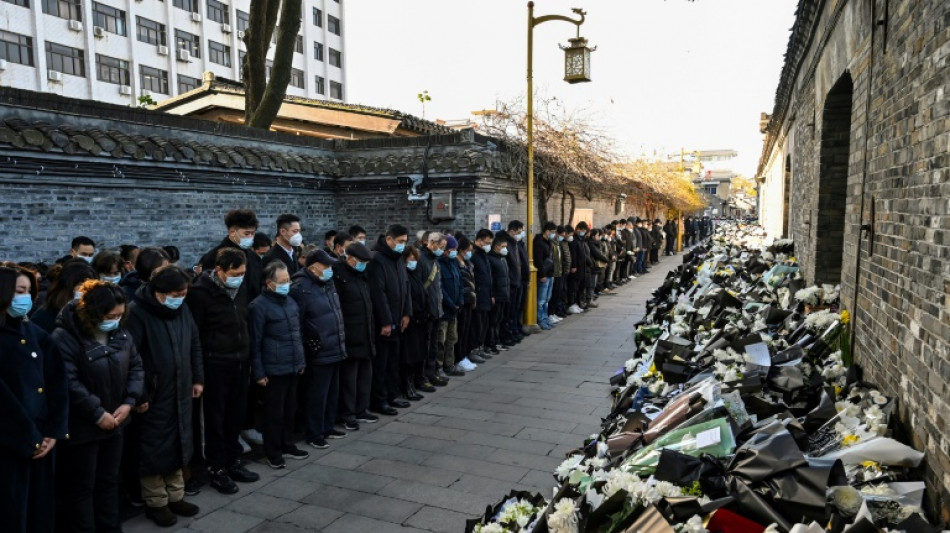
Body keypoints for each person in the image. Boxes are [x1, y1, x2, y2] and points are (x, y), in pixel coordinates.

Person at [53, 280, 144, 533]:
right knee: (82, 487)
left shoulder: (121, 333)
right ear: (93, 312)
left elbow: (136, 366)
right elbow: (67, 381)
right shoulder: (65, 337)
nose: (115, 320)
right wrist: (97, 413)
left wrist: (129, 402)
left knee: (109, 481)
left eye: (119, 315)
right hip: (84, 427)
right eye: (110, 316)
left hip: (116, 421)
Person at [125, 265, 204, 527]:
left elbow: (193, 342)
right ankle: (156, 502)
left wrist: (197, 378)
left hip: (181, 389)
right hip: (154, 393)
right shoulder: (137, 313)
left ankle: (176, 495)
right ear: (159, 292)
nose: (180, 297)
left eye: (184, 293)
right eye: (176, 293)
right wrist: (140, 394)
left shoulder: (181, 308)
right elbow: (131, 358)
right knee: (153, 448)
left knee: (180, 441)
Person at [0, 265, 69, 533]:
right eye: (19, 291)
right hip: (11, 443)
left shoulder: (35, 333)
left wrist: (54, 430)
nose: (25, 297)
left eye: (29, 291)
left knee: (39, 509)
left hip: (41, 437)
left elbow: (57, 382)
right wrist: (28, 437)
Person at [186, 248, 259, 495]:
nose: (240, 276)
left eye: (242, 272)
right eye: (235, 273)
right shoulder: (200, 293)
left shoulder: (241, 288)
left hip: (240, 360)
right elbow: (194, 334)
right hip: (215, 363)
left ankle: (233, 460)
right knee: (214, 420)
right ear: (219, 270)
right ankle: (216, 468)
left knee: (235, 416)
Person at [249, 262, 309, 469]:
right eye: (282, 281)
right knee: (273, 414)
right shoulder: (258, 306)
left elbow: (297, 334)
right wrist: (259, 372)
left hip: (292, 365)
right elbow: (255, 342)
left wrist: (301, 361)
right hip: (273, 369)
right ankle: (272, 451)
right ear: (269, 283)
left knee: (290, 409)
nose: (287, 284)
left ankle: (288, 444)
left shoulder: (290, 302)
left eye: (288, 280)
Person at [291, 250, 348, 449]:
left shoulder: (328, 283)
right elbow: (297, 323)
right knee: (317, 394)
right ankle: (314, 432)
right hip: (318, 349)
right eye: (326, 267)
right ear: (313, 267)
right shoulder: (300, 287)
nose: (330, 270)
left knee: (332, 392)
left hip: (335, 346)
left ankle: (328, 426)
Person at [333, 242, 378, 430]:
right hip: (350, 335)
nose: (363, 265)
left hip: (366, 333)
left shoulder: (361, 275)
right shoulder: (338, 274)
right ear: (349, 258)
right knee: (349, 379)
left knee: (364, 375)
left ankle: (362, 409)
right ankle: (347, 414)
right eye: (360, 262)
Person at [367, 225, 411, 417]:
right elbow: (378, 293)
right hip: (385, 322)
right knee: (381, 363)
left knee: (394, 361)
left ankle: (393, 394)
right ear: (389, 239)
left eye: (405, 241)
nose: (403, 245)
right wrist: (385, 321)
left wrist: (406, 313)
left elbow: (405, 286)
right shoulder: (377, 260)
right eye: (400, 241)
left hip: (399, 318)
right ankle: (379, 399)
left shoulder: (398, 259)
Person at [199, 209, 263, 302]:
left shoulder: (254, 257)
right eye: (246, 233)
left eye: (252, 233)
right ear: (232, 232)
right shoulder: (214, 257)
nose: (250, 237)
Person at [30, 260, 97, 333]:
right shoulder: (44, 316)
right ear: (67, 286)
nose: (86, 289)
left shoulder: (92, 313)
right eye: (81, 285)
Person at [401, 245, 432, 401]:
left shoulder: (414, 274)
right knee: (409, 356)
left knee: (419, 353)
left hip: (421, 320)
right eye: (410, 258)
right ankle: (407, 386)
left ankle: (414, 381)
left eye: (415, 259)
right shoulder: (404, 275)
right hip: (411, 321)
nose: (413, 261)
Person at [417, 232, 447, 388]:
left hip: (436, 310)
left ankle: (431, 372)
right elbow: (419, 287)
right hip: (426, 311)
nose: (442, 250)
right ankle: (422, 377)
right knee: (425, 346)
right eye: (441, 247)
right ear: (433, 243)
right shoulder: (421, 259)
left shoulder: (435, 260)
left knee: (434, 345)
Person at [436, 235, 462, 379]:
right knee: (441, 339)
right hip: (445, 310)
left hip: (454, 310)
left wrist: (460, 300)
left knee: (452, 338)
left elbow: (459, 283)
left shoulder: (453, 263)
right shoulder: (439, 263)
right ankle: (439, 366)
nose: (454, 251)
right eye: (451, 249)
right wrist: (451, 304)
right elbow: (441, 289)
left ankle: (449, 364)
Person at [469, 229, 494, 365]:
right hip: (478, 295)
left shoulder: (484, 255)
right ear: (479, 240)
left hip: (486, 294)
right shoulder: (473, 255)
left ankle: (481, 346)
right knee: (477, 324)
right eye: (487, 242)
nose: (488, 245)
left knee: (484, 323)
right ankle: (474, 349)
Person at [498, 222, 524, 346]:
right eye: (519, 232)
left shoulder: (515, 243)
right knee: (507, 312)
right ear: (512, 231)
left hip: (516, 281)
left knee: (515, 309)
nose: (520, 235)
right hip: (510, 283)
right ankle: (506, 334)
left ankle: (513, 331)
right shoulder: (506, 244)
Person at [452, 236, 475, 374]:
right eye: (468, 250)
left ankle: (464, 355)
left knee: (466, 330)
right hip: (462, 300)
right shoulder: (456, 264)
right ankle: (459, 357)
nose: (469, 253)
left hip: (469, 299)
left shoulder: (467, 263)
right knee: (460, 331)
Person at [486, 235, 510, 355]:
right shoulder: (491, 259)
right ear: (496, 246)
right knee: (493, 320)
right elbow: (491, 279)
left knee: (500, 319)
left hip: (503, 293)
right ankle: (491, 343)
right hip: (496, 294)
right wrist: (493, 294)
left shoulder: (502, 259)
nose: (505, 249)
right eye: (503, 247)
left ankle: (497, 340)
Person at [533, 222, 557, 329]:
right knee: (541, 300)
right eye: (552, 232)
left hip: (550, 274)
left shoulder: (548, 242)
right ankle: (541, 319)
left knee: (547, 299)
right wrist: (542, 275)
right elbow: (538, 260)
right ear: (546, 231)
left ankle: (545, 318)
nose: (553, 234)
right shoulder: (539, 242)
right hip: (544, 275)